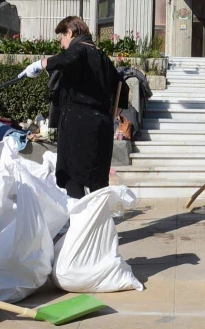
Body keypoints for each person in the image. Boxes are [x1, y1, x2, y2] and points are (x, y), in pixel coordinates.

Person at [18, 16, 128, 199]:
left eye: (61, 37)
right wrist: (112, 115)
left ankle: (81, 221)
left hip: (78, 126)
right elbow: (122, 87)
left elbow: (67, 58)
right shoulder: (102, 57)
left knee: (71, 176)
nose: (61, 44)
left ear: (70, 32)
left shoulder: (80, 49)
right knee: (96, 181)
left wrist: (41, 64)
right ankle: (97, 222)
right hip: (101, 126)